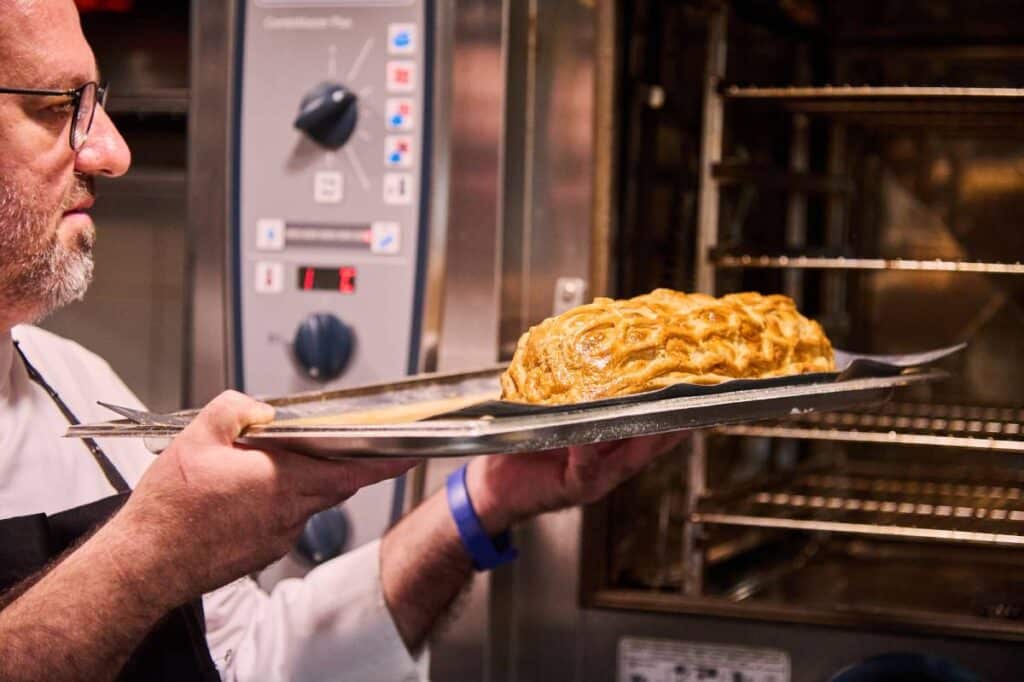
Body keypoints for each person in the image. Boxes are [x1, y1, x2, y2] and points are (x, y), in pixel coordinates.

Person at [0, 2, 685, 680]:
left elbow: (251, 660)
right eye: (58, 108)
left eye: (97, 102)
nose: (113, 152)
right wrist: (148, 556)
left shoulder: (71, 386)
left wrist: (482, 500)